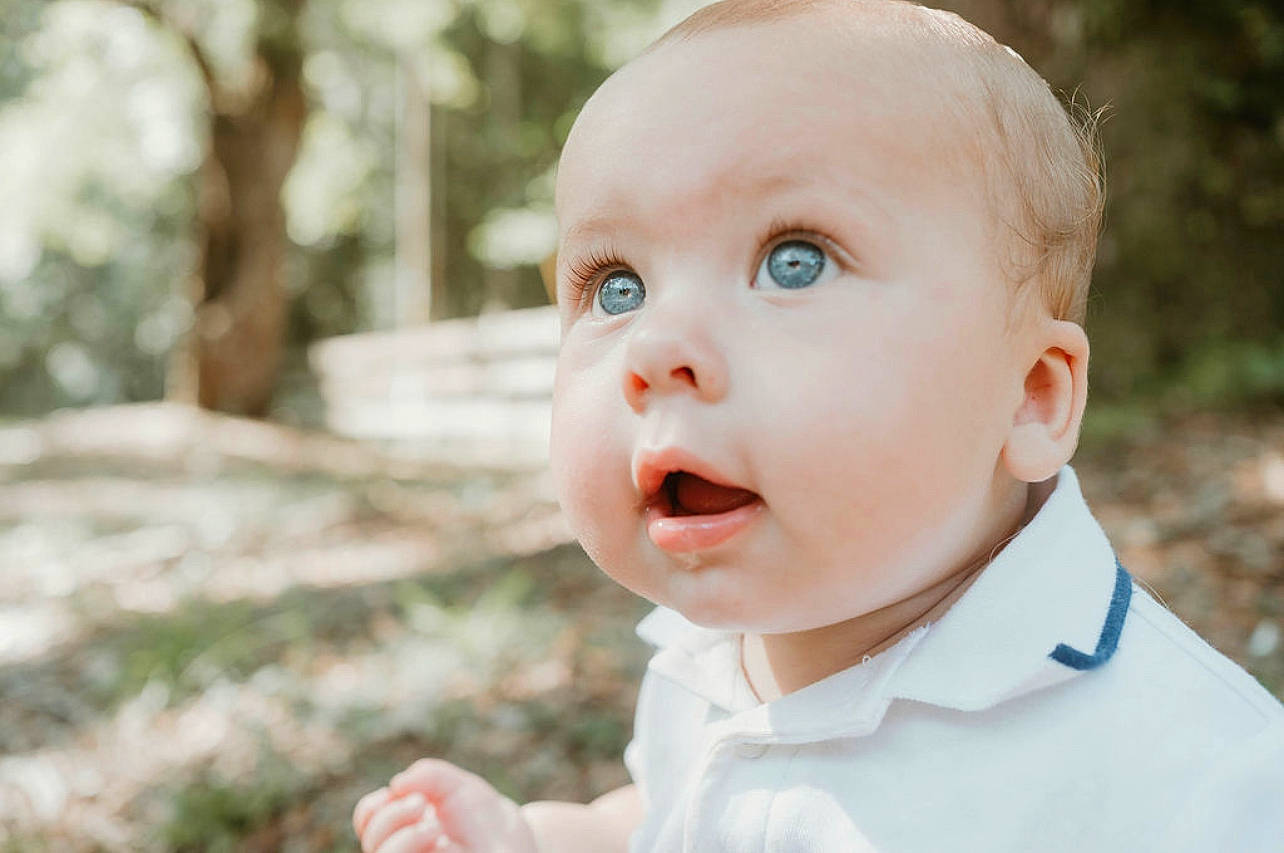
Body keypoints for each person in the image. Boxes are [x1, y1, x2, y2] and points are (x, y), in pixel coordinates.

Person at [353, 1, 1284, 850]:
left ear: (1030, 397)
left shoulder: (1194, 780)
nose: (656, 344)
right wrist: (545, 838)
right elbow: (681, 815)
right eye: (617, 286)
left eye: (793, 261)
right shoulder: (703, 659)